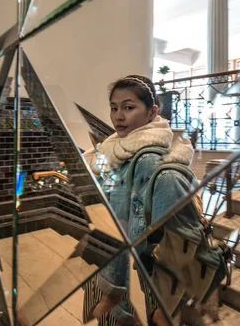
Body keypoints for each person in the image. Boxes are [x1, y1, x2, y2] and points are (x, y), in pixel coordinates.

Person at [82, 75, 227, 326]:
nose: (118, 116)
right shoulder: (116, 148)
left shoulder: (150, 160)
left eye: (128, 107)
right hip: (125, 271)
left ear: (152, 112)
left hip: (154, 279)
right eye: (114, 108)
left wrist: (160, 305)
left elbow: (177, 237)